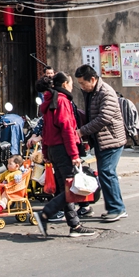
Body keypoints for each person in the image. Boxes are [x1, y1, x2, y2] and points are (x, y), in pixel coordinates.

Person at [33, 73, 97, 238]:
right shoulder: (61, 100)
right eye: (70, 82)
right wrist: (74, 154)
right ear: (65, 84)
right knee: (71, 189)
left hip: (54, 149)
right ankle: (46, 214)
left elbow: (46, 129)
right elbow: (67, 129)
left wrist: (47, 151)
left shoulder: (50, 101)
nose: (72, 86)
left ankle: (74, 225)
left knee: (65, 188)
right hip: (63, 149)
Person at [75, 64, 128, 222]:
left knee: (107, 172)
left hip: (112, 139)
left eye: (83, 83)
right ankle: (116, 207)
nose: (82, 87)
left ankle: (117, 208)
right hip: (101, 140)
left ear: (92, 79)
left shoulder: (106, 92)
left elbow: (103, 119)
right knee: (106, 173)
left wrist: (81, 131)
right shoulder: (91, 92)